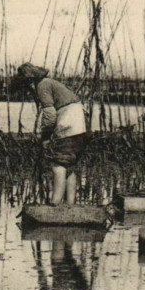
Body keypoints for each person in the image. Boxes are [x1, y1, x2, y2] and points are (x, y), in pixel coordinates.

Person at [16, 63, 87, 206]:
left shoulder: (42, 85)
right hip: (80, 126)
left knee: (58, 164)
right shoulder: (50, 82)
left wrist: (45, 137)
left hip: (68, 124)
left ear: (30, 80)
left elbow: (49, 115)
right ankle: (70, 204)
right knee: (69, 164)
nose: (28, 90)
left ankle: (55, 203)